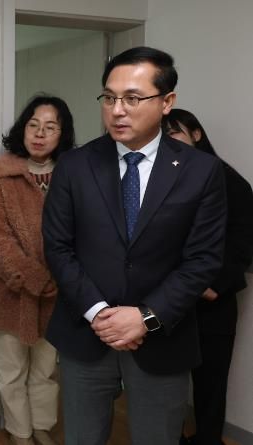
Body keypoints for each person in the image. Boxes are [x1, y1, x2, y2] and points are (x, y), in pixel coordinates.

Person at [42, 46, 227, 445]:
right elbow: (58, 247)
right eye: (109, 98)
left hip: (163, 340)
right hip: (86, 334)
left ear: (167, 102)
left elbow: (203, 259)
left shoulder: (201, 171)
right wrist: (99, 313)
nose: (117, 110)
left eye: (132, 98)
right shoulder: (75, 165)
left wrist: (145, 317)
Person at [0, 95, 75, 445]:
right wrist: (34, 277)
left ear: (62, 134)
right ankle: (20, 431)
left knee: (47, 368)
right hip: (10, 290)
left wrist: (60, 279)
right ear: (22, 129)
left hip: (58, 293)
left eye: (50, 127)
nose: (39, 134)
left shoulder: (74, 174)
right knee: (11, 368)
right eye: (33, 125)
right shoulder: (0, 174)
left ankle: (42, 426)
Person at [163, 109, 253, 445]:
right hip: (169, 300)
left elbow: (243, 242)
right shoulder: (160, 180)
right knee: (166, 384)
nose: (169, 141)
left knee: (211, 386)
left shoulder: (230, 182)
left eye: (175, 132)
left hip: (212, 301)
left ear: (196, 134)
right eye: (163, 136)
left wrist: (214, 286)